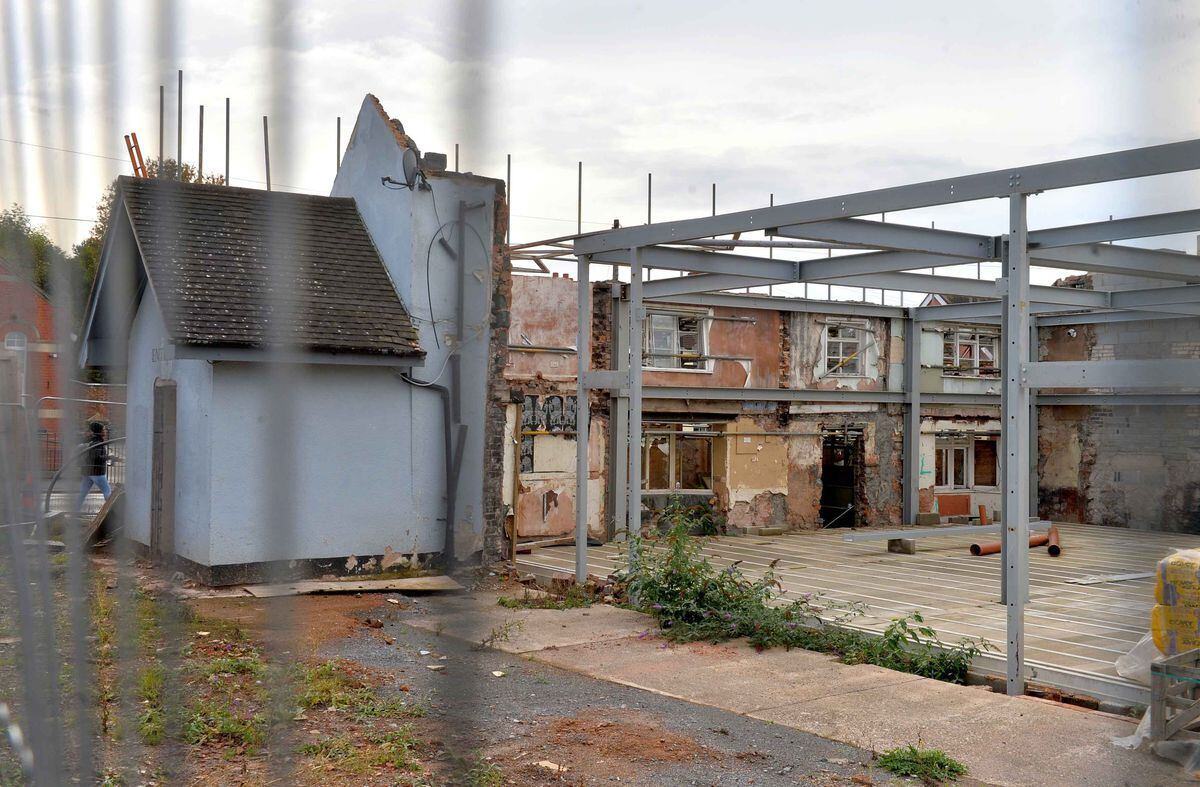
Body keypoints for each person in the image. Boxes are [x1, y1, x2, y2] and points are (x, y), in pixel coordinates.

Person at [76, 421, 111, 511]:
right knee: (107, 492)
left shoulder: (90, 440)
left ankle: (75, 511)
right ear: (99, 431)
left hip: (87, 471)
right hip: (97, 472)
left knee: (82, 493)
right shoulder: (97, 442)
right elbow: (97, 457)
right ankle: (112, 511)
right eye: (103, 429)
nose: (105, 431)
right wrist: (110, 457)